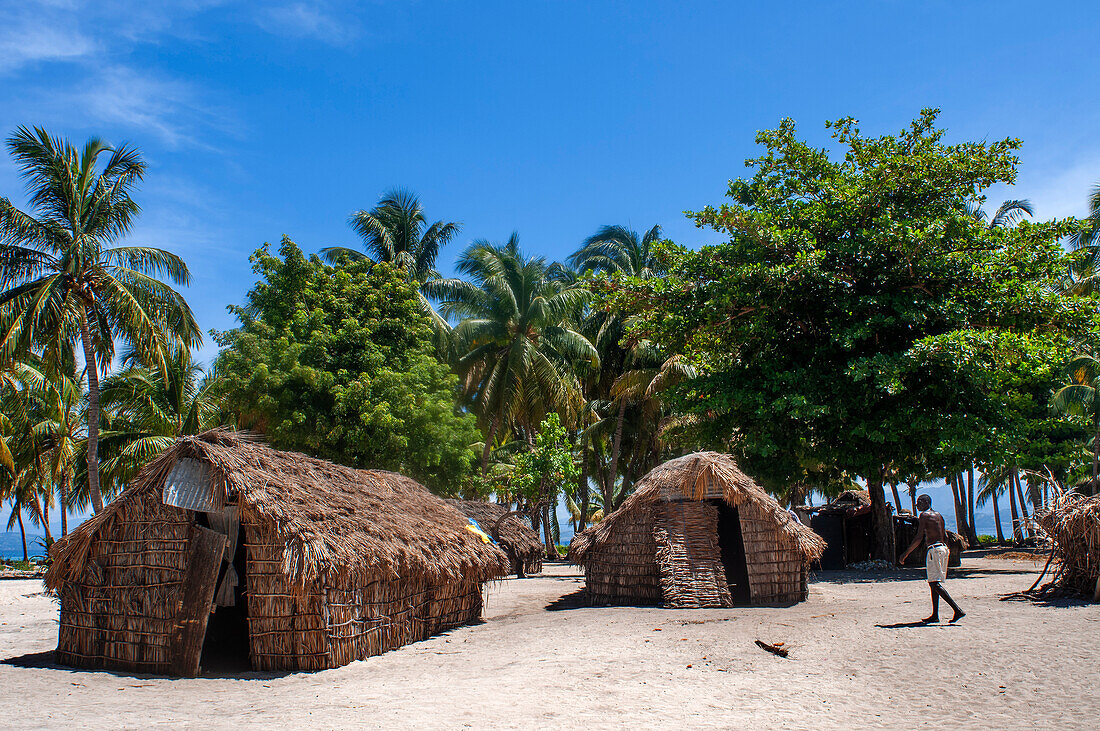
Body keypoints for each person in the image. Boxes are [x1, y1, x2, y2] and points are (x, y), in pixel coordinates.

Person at [898, 494, 965, 623]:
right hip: (943, 548)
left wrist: (905, 553)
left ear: (925, 502)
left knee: (934, 583)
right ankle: (935, 615)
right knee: (933, 582)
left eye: (919, 502)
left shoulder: (924, 515)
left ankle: (957, 610)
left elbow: (919, 537)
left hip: (934, 550)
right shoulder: (938, 515)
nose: (917, 505)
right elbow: (944, 535)